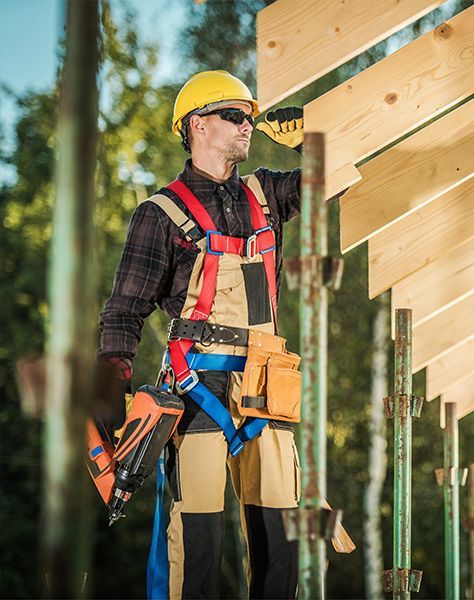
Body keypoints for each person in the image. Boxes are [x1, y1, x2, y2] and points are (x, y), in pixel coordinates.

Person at [97, 70, 351, 599]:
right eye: (234, 116)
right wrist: (110, 395)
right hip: (197, 391)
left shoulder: (267, 193)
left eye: (250, 117)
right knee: (199, 543)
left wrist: (315, 138)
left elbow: (340, 174)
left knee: (284, 540)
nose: (247, 126)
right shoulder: (159, 214)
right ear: (197, 126)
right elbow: (124, 311)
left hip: (267, 388)